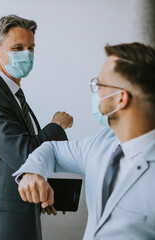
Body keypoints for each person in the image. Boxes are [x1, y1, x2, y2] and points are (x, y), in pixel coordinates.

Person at [14, 42, 155, 240]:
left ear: (121, 99)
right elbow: (52, 149)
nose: (95, 91)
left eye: (100, 84)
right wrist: (33, 172)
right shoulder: (103, 142)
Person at [0, 15, 74, 240]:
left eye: (31, 48)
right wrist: (56, 126)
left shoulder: (11, 93)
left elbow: (12, 158)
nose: (27, 54)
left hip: (15, 212)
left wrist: (40, 189)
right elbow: (25, 153)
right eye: (18, 47)